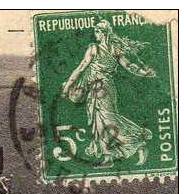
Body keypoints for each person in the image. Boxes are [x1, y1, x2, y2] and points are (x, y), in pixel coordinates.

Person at [61, 19, 156, 167]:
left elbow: (80, 69)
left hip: (101, 90)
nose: (96, 35)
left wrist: (67, 87)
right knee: (100, 122)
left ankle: (136, 141)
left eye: (97, 32)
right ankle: (108, 158)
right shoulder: (114, 49)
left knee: (108, 120)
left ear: (103, 33)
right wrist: (144, 72)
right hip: (101, 89)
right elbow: (130, 66)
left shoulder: (95, 49)